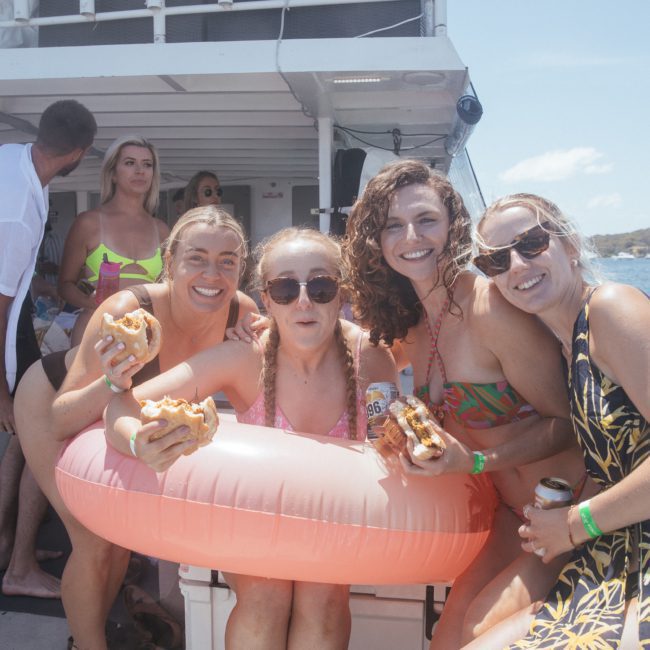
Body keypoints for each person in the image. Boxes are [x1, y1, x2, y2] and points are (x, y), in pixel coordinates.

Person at [104, 227, 398, 650]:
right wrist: (138, 442)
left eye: (320, 286)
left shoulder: (370, 357)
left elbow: (384, 447)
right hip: (260, 518)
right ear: (265, 298)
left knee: (325, 597)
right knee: (266, 595)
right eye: (283, 288)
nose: (302, 301)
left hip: (333, 520)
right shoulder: (246, 355)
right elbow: (122, 407)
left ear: (342, 292)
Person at [344, 159, 590, 648]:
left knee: (480, 627)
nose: (411, 236)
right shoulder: (404, 330)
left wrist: (477, 460)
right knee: (447, 636)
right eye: (393, 225)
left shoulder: (489, 307)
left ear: (453, 225)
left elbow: (569, 423)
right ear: (376, 241)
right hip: (508, 517)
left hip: (569, 510)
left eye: (426, 220)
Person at [14, 206, 258, 649]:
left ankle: (98, 631)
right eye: (197, 258)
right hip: (52, 397)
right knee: (93, 538)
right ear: (170, 263)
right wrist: (114, 377)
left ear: (242, 268)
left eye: (228, 261)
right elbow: (63, 415)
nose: (213, 273)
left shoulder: (241, 313)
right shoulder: (129, 308)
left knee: (120, 540)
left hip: (125, 418)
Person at [461, 194, 649, 649]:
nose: (518, 266)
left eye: (531, 243)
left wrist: (575, 523)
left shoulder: (612, 308)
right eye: (496, 260)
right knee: (477, 634)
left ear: (569, 245)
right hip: (620, 542)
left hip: (623, 541)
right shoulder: (566, 346)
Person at [0, 99, 96, 599]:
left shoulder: (10, 159)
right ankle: (19, 571)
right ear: (79, 153)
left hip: (14, 316)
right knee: (40, 431)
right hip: (4, 327)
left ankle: (8, 548)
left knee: (23, 438)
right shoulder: (17, 209)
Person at [58, 134, 170, 346]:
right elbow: (64, 285)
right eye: (130, 163)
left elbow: (172, 289)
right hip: (96, 332)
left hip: (146, 336)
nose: (140, 171)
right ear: (113, 173)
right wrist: (90, 302)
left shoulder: (162, 230)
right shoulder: (88, 223)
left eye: (147, 164)